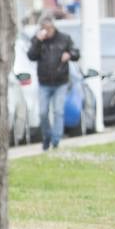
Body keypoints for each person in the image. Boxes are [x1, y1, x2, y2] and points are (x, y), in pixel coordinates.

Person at [27, 12, 79, 150]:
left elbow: (76, 53)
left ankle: (56, 139)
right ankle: (46, 136)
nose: (47, 31)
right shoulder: (38, 40)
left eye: (49, 28)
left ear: (53, 27)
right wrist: (38, 41)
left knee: (58, 111)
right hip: (44, 82)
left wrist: (70, 54)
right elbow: (31, 56)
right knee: (43, 112)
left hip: (60, 81)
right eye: (44, 28)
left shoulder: (64, 39)